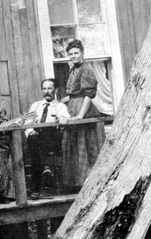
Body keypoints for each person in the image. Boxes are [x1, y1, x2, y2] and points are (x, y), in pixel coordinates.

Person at [62, 40, 106, 193]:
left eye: (76, 53)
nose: (73, 56)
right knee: (74, 146)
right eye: (71, 54)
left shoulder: (86, 69)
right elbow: (72, 94)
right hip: (73, 107)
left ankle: (90, 184)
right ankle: (78, 183)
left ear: (82, 53)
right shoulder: (73, 69)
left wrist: (81, 114)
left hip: (83, 109)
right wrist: (59, 103)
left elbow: (88, 95)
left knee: (85, 146)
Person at [25, 79, 69, 199]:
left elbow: (64, 116)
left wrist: (62, 118)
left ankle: (36, 188)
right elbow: (28, 123)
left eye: (49, 88)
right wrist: (30, 131)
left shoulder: (60, 106)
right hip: (36, 138)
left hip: (52, 138)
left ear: (55, 90)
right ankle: (45, 168)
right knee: (33, 140)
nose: (47, 92)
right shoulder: (36, 105)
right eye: (44, 89)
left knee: (37, 151)